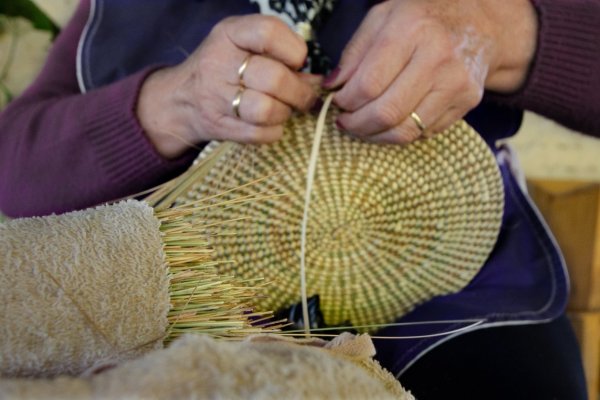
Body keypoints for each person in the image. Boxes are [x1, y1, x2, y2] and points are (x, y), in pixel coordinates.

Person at [0, 0, 598, 398]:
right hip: (185, 294)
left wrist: (505, 28)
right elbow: (15, 171)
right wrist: (172, 102)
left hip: (464, 302)